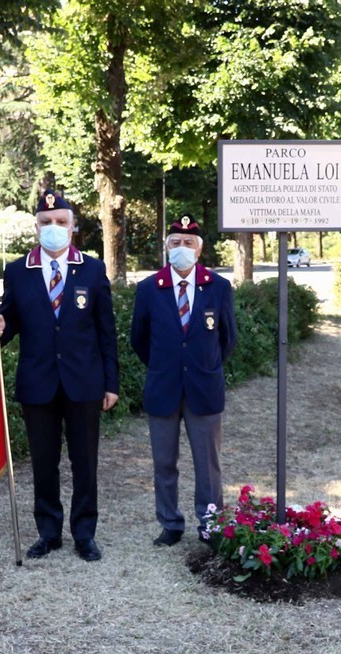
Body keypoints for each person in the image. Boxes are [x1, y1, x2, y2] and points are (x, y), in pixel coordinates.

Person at [0, 192, 119, 562]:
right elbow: (9, 320)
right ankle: (48, 531)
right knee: (44, 463)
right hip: (38, 382)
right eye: (46, 222)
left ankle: (84, 533)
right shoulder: (18, 270)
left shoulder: (92, 269)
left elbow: (105, 330)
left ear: (74, 227)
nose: (54, 228)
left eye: (61, 222)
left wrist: (111, 384)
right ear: (36, 228)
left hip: (85, 382)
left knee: (84, 462)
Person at [130, 214, 237, 546]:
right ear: (166, 248)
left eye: (188, 243)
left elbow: (227, 339)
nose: (181, 248)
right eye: (175, 243)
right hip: (163, 387)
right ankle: (171, 523)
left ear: (199, 250)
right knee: (164, 462)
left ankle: (209, 524)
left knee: (208, 465)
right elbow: (139, 338)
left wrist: (202, 365)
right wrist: (166, 366)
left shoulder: (217, 287)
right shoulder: (149, 288)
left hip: (204, 389)